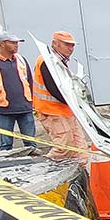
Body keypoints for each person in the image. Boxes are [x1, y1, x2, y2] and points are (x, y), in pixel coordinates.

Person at [33, 31, 89, 164]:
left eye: (72, 46)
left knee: (80, 148)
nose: (71, 49)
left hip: (65, 110)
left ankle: (80, 177)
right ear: (55, 44)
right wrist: (75, 101)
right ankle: (45, 168)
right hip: (52, 111)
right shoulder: (47, 60)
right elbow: (54, 89)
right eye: (67, 45)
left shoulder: (59, 61)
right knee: (64, 148)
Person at [0, 33, 37, 151]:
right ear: (2, 43)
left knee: (31, 143)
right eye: (13, 42)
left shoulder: (21, 60)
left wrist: (35, 103)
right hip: (4, 108)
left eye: (17, 43)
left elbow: (30, 82)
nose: (16, 45)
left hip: (25, 107)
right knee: (6, 145)